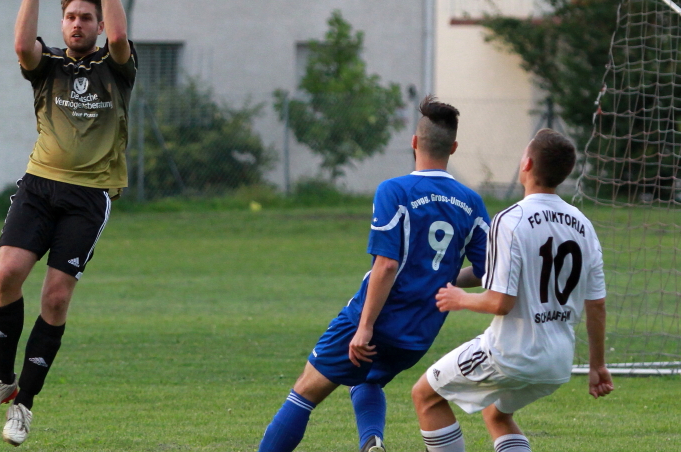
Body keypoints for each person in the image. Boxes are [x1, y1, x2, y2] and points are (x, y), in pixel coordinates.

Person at [0, 0, 137, 446]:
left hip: (88, 197)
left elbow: (121, 39)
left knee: (57, 299)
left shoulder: (117, 67)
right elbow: (22, 44)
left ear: (98, 25)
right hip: (39, 186)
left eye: (86, 18)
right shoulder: (49, 66)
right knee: (6, 276)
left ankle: (24, 405)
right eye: (71, 17)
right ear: (62, 24)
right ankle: (2, 378)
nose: (77, 24)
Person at [257, 96, 491, 452]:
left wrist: (365, 326)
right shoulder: (471, 202)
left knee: (304, 391)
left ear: (414, 142)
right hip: (419, 332)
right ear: (454, 148)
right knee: (367, 380)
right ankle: (372, 443)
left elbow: (387, 265)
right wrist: (442, 279)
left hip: (378, 318)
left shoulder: (394, 190)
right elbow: (489, 272)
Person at [411, 128, 614, 452]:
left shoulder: (511, 219)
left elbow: (500, 302)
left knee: (426, 396)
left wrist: (459, 299)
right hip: (557, 362)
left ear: (527, 163)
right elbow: (597, 304)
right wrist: (598, 365)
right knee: (497, 415)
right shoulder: (583, 225)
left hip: (511, 353)